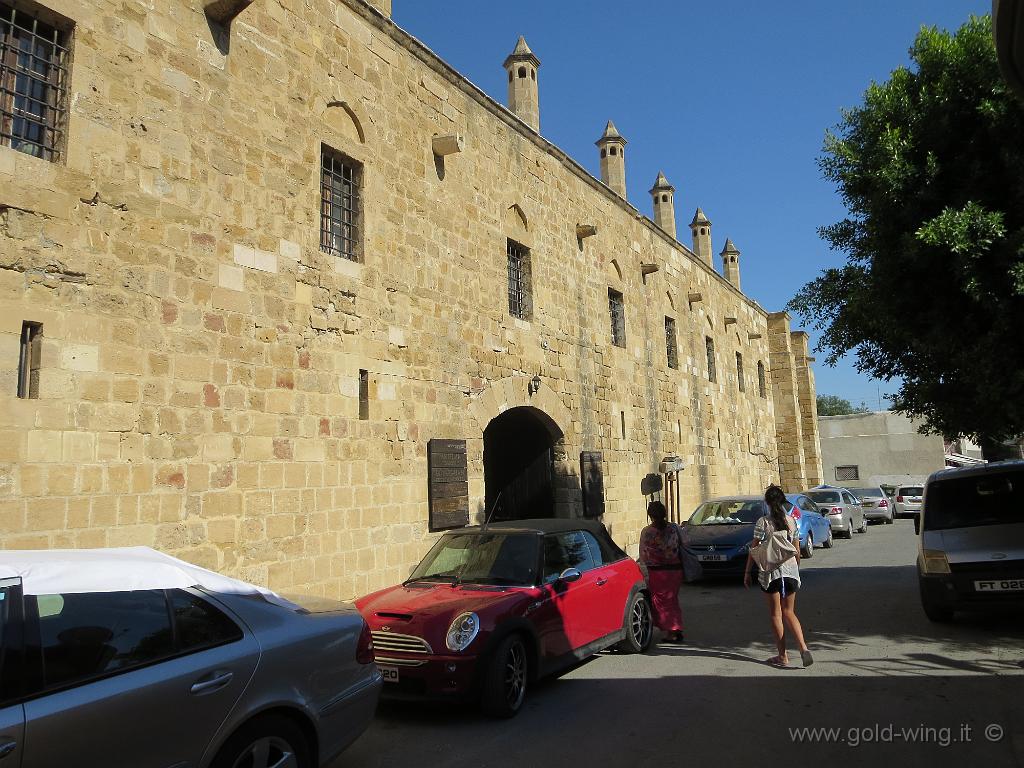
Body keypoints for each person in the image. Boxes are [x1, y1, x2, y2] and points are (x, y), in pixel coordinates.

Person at [743, 485, 813, 668]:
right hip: (790, 571)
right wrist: (795, 568)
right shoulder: (791, 521)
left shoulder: (763, 523)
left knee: (775, 614)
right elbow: (797, 550)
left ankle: (783, 656)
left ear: (766, 502)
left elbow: (754, 548)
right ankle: (804, 648)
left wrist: (747, 571)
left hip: (770, 572)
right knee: (789, 611)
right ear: (782, 501)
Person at [639, 500, 685, 642]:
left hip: (657, 572)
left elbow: (643, 553)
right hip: (675, 570)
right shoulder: (673, 528)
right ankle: (675, 628)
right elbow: (684, 543)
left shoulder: (647, 532)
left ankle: (672, 631)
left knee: (661, 602)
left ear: (650, 515)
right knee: (672, 600)